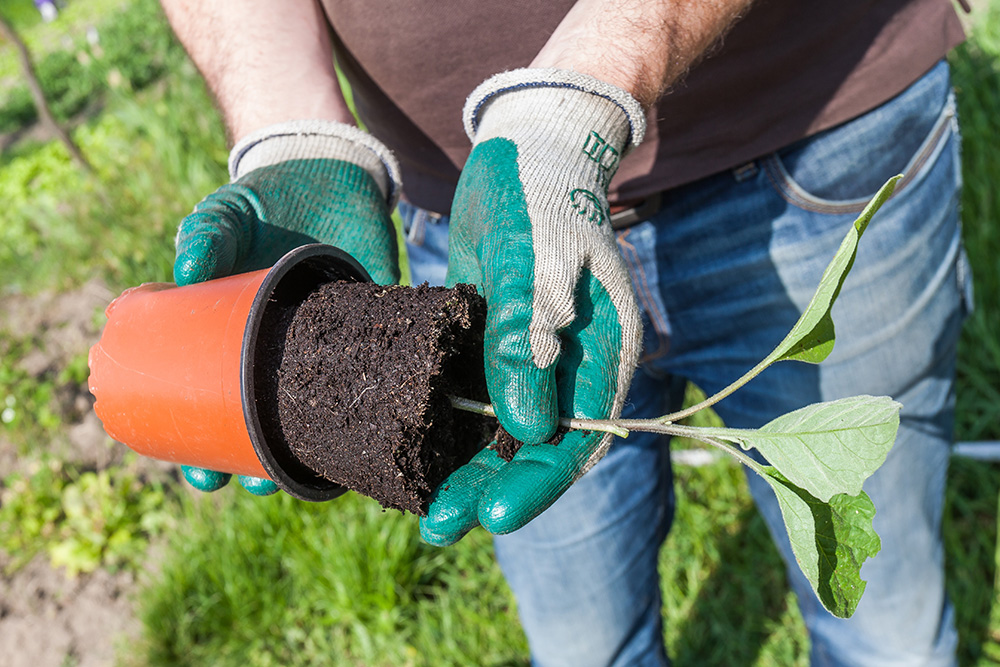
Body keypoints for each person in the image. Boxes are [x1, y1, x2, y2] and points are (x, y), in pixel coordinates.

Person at [158, 0, 972, 664]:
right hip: (487, 238)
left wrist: (581, 99)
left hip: (815, 143)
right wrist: (289, 126)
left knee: (887, 630)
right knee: (584, 643)